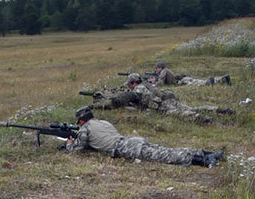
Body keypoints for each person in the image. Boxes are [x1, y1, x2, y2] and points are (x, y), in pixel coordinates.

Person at [67, 106, 225, 168]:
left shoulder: (85, 128)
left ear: (81, 120)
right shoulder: (102, 122)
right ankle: (206, 152)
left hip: (125, 147)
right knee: (166, 150)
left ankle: (204, 161)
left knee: (165, 156)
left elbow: (77, 148)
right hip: (131, 141)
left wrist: (69, 143)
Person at [85, 75, 235, 124]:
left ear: (132, 83)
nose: (129, 87)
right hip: (169, 98)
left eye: (129, 84)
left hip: (161, 106)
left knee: (180, 114)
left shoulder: (137, 90)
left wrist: (99, 106)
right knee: (190, 107)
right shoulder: (148, 85)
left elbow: (120, 101)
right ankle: (218, 110)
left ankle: (202, 119)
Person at [152, 62, 232, 87]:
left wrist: (154, 83)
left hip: (181, 82)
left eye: (157, 68)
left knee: (201, 84)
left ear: (160, 67)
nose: (156, 70)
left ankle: (212, 81)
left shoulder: (163, 71)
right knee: (201, 81)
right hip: (183, 78)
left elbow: (160, 83)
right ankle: (223, 79)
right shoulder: (166, 70)